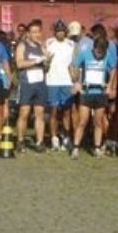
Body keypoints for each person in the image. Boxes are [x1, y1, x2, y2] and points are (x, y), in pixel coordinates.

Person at [71, 33, 118, 158]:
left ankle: (97, 147)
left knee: (98, 122)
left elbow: (114, 68)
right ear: (93, 48)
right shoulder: (85, 54)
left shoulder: (107, 55)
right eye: (97, 52)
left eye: (101, 53)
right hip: (86, 92)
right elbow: (73, 65)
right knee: (83, 121)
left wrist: (110, 86)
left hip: (100, 93)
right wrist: (76, 82)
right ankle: (75, 148)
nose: (99, 55)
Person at [15, 19, 49, 151]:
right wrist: (36, 61)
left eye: (38, 32)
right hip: (26, 83)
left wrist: (47, 61)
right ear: (28, 33)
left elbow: (47, 66)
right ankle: (20, 141)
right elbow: (19, 64)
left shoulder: (42, 47)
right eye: (34, 32)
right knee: (24, 112)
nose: (37, 34)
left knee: (39, 113)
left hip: (40, 83)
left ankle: (40, 142)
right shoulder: (22, 46)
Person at [44, 20, 77, 151]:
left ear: (66, 32)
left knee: (66, 112)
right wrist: (46, 63)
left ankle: (66, 137)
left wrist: (75, 78)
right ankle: (54, 138)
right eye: (58, 31)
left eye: (62, 31)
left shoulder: (71, 44)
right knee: (53, 110)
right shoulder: (49, 43)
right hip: (52, 81)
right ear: (54, 32)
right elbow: (45, 62)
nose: (60, 34)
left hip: (67, 81)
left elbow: (74, 63)